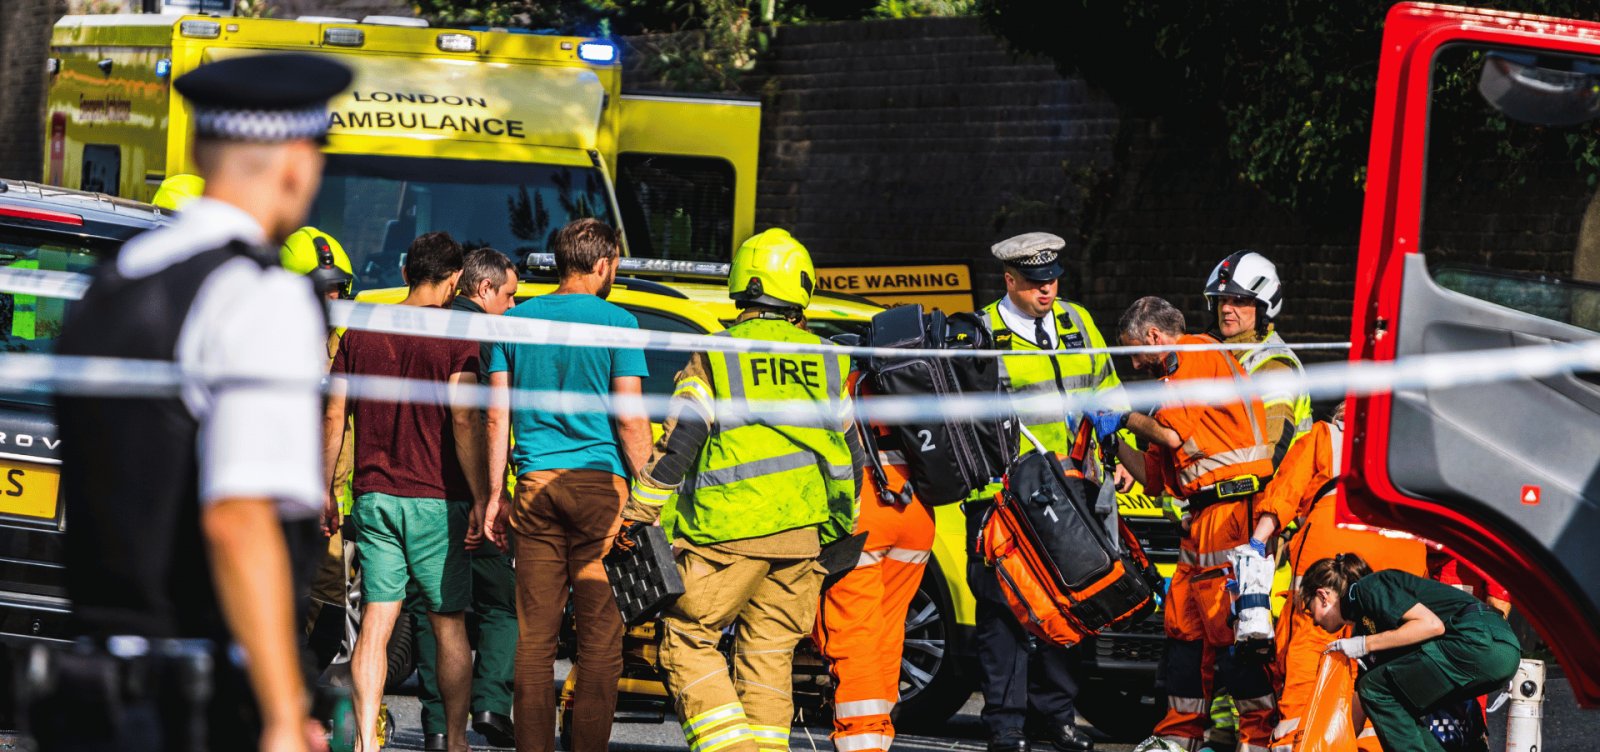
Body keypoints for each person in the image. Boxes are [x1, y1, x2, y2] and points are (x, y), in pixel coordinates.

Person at [51, 53, 350, 751]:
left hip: (93, 687)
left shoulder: (114, 282)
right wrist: (281, 711)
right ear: (297, 164)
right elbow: (240, 517)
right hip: (200, 702)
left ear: (194, 150)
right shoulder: (260, 295)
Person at [620, 228, 862, 752]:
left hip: (725, 535)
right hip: (801, 538)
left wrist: (639, 511)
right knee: (769, 654)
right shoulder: (828, 359)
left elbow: (681, 442)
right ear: (801, 288)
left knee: (687, 642)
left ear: (741, 286)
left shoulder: (719, 354)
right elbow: (848, 458)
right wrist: (840, 527)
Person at [482, 219, 652, 752]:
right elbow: (630, 419)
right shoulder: (618, 322)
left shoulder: (515, 320)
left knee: (535, 641)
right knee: (601, 643)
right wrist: (648, 495)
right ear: (603, 265)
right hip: (601, 490)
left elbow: (495, 416)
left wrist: (494, 494)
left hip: (535, 485)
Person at [324, 231, 488, 752]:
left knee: (376, 619)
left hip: (373, 496)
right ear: (455, 279)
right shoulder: (459, 337)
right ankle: (456, 740)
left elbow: (333, 413)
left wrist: (326, 488)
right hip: (438, 500)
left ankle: (366, 742)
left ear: (404, 274)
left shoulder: (362, 331)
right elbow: (464, 419)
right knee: (448, 625)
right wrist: (484, 495)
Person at [971, 231, 1127, 752]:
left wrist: (1118, 445)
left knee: (1071, 603)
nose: (1048, 290)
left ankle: (1055, 717)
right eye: (1036, 282)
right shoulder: (981, 334)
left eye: (1053, 279)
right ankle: (1006, 726)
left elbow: (1106, 386)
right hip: (1007, 495)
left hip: (1071, 488)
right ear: (1009, 280)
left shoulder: (1076, 321)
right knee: (1005, 610)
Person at [1104, 296, 1277, 752]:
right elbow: (1155, 477)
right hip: (1204, 516)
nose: (1134, 363)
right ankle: (1179, 735)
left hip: (1232, 514)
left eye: (1133, 352)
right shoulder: (1173, 382)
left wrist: (1122, 413)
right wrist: (1113, 441)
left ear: (1155, 338)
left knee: (1234, 628)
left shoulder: (1196, 354)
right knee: (1183, 628)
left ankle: (1258, 736)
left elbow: (1171, 436)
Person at [1250, 402, 1428, 752]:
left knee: (1311, 656)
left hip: (1332, 554)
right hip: (1402, 559)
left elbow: (1284, 494)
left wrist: (1257, 542)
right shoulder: (1418, 448)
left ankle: (1298, 743)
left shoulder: (1325, 437)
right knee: (1383, 671)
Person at [410, 247, 519, 750]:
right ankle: (491, 701)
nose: (513, 309)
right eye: (510, 297)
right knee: (502, 601)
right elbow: (476, 419)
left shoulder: (418, 324)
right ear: (483, 289)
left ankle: (435, 726)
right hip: (463, 496)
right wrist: (487, 498)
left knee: (433, 609)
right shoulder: (482, 338)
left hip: (418, 491)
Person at [813, 395, 935, 752]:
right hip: (916, 512)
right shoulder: (910, 374)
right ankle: (879, 737)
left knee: (855, 636)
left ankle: (862, 742)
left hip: (866, 508)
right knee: (887, 630)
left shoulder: (846, 378)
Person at [1304, 554, 1521, 752]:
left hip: (1481, 640)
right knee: (1396, 699)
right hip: (1493, 650)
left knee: (1374, 687)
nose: (1313, 620)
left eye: (1308, 607)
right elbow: (1360, 709)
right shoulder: (1366, 626)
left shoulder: (1369, 588)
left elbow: (1431, 625)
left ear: (1323, 596)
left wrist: (1364, 644)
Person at [1203, 250, 1312, 460]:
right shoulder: (1219, 353)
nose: (1225, 308)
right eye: (1222, 299)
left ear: (1263, 306)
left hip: (1270, 490)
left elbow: (1271, 453)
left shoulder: (1273, 365)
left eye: (1238, 300)